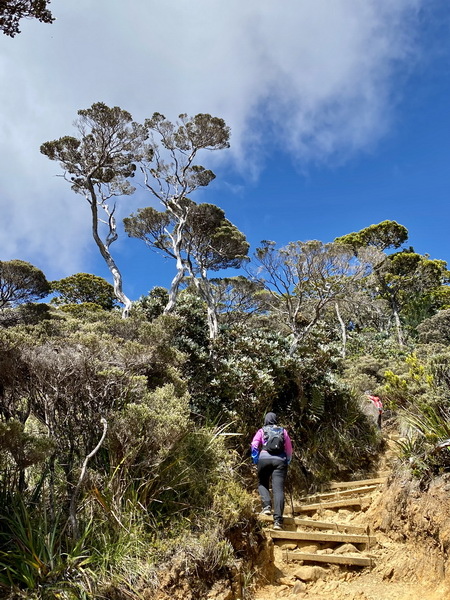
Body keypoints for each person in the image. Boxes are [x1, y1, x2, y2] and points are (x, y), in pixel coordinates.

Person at [250, 412, 293, 530]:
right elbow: (289, 448)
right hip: (280, 461)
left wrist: (255, 458)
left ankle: (267, 507)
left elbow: (254, 444)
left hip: (264, 459)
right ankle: (278, 521)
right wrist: (287, 461)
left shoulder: (262, 431)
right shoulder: (283, 431)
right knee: (278, 490)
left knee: (262, 482)